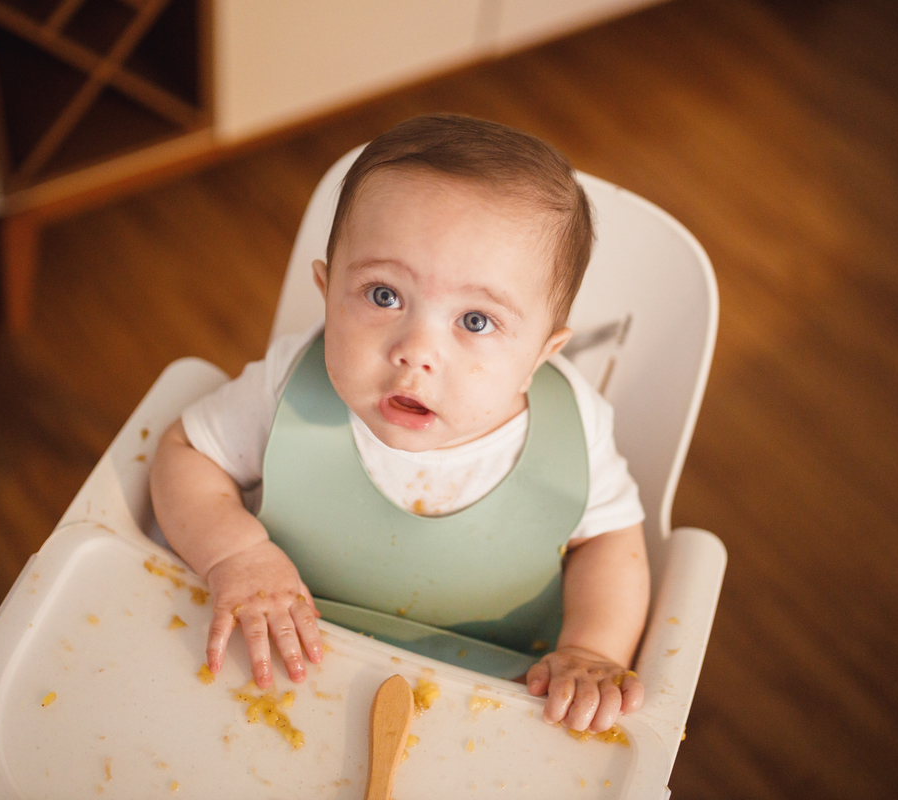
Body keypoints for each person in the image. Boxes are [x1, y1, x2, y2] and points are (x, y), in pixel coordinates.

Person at [150, 113, 650, 734]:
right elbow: (186, 453)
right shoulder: (291, 386)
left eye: (475, 321)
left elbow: (611, 541)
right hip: (294, 653)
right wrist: (237, 554)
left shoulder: (573, 432)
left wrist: (592, 648)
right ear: (327, 290)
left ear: (540, 357)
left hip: (497, 696)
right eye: (384, 295)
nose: (416, 350)